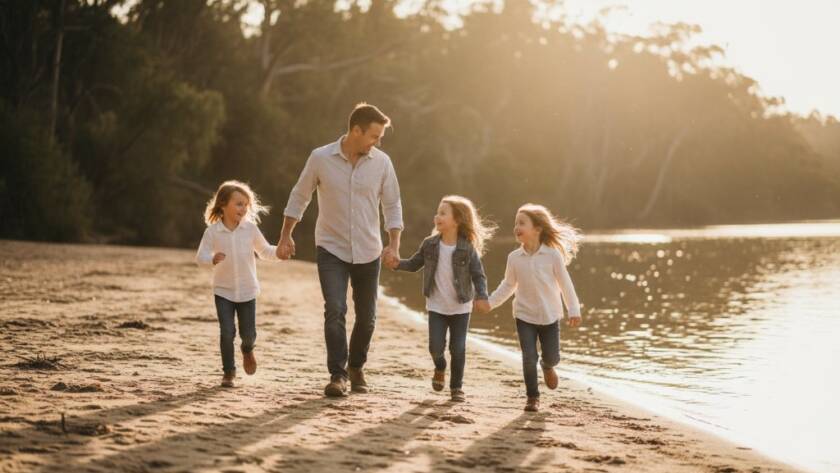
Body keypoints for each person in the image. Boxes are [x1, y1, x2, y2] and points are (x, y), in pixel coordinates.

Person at [277, 103, 403, 397]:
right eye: (374, 135)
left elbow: (393, 205)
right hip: (331, 248)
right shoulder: (321, 158)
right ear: (355, 131)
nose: (378, 142)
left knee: (367, 317)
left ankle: (356, 366)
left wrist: (393, 243)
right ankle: (338, 375)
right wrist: (286, 236)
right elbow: (300, 196)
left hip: (369, 251)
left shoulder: (382, 163)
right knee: (335, 309)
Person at [386, 195, 494, 402]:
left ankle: (456, 388)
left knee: (458, 348)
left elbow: (479, 275)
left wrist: (482, 296)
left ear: (458, 220)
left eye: (443, 213)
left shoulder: (467, 248)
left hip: (460, 306)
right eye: (437, 212)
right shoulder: (430, 244)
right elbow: (414, 264)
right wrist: (397, 263)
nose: (437, 216)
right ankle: (440, 367)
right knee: (435, 347)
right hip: (436, 305)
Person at [482, 203, 582, 412]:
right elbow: (508, 285)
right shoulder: (514, 258)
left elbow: (566, 284)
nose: (516, 227)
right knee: (528, 357)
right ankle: (532, 397)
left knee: (552, 357)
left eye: (521, 223)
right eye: (515, 223)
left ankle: (547, 367)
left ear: (537, 228)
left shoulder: (553, 256)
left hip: (549, 316)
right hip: (524, 315)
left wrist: (573, 309)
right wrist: (491, 302)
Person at [196, 180, 279, 388]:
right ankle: (229, 373)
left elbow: (265, 251)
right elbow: (200, 256)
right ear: (223, 204)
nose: (243, 208)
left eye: (245, 204)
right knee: (226, 332)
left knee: (248, 334)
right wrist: (211, 258)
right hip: (223, 290)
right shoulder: (213, 232)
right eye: (239, 204)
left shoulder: (250, 229)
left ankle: (247, 349)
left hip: (247, 290)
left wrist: (280, 252)